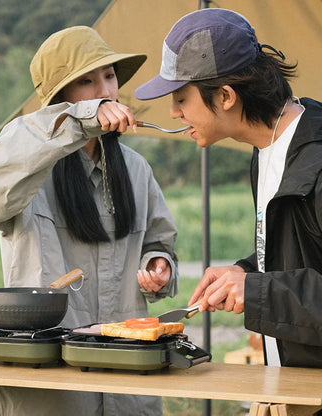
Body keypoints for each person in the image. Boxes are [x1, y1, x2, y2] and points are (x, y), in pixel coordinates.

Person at [0, 26, 179, 415]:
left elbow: (159, 242)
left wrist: (158, 265)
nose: (105, 90)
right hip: (50, 383)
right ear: (61, 99)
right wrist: (80, 120)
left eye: (109, 76)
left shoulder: (136, 169)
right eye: (86, 81)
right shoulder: (27, 171)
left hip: (126, 378)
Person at [135, 8, 322, 369]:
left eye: (181, 98)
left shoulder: (317, 157)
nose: (173, 113)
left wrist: (255, 291)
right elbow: (304, 256)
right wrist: (245, 273)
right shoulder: (267, 148)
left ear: (224, 96)